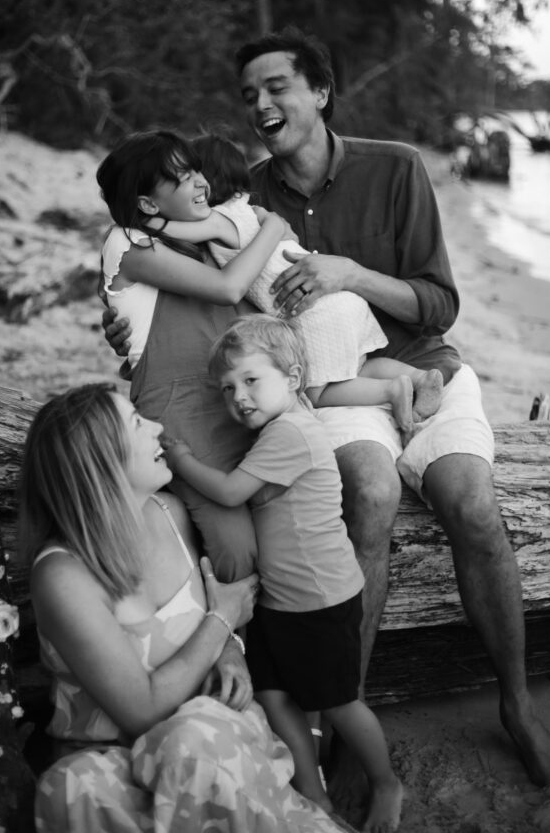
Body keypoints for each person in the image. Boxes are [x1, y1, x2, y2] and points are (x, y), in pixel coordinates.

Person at [102, 27, 550, 787]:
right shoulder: (235, 189)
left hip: (419, 361)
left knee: (471, 502)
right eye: (248, 93)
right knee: (371, 492)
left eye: (277, 86)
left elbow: (438, 304)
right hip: (325, 386)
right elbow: (196, 286)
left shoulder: (396, 168)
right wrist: (128, 326)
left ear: (319, 92)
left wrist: (351, 274)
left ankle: (515, 702)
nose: (261, 103)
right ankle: (347, 710)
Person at [19, 382, 353, 833]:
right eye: (138, 424)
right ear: (101, 460)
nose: (158, 428)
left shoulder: (171, 512)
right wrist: (223, 623)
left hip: (212, 744)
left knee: (192, 738)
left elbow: (212, 614)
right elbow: (142, 708)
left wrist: (230, 648)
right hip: (114, 759)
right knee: (70, 786)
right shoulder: (63, 575)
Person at [166, 315, 403, 832]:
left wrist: (181, 460)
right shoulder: (277, 428)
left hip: (321, 599)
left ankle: (385, 781)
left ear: (293, 380)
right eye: (228, 389)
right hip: (281, 600)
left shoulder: (293, 430)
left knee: (339, 703)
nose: (238, 397)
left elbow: (230, 492)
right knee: (273, 697)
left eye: (252, 380)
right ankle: (313, 792)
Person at [152, 131, 444, 440]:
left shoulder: (216, 218)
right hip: (342, 298)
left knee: (315, 392)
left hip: (314, 314)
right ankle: (417, 377)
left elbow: (175, 231)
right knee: (358, 367)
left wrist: (147, 218)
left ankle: (392, 390)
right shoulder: (252, 209)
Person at [96, 129, 294, 582]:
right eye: (183, 177)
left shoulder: (205, 238)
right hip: (182, 415)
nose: (200, 182)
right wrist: (273, 228)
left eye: (196, 170)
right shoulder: (126, 243)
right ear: (147, 203)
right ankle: (223, 638)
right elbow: (228, 290)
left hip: (239, 401)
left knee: (281, 538)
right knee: (236, 550)